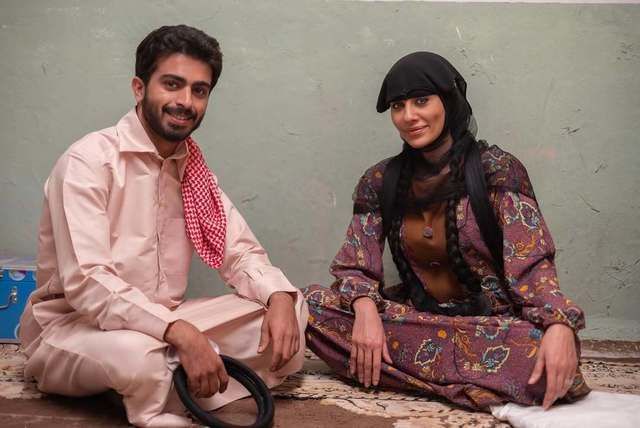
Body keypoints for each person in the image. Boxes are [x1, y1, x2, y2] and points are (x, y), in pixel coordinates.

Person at [19, 25, 307, 427]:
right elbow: (88, 282)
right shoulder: (88, 162)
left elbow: (240, 252)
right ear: (139, 88)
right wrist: (179, 332)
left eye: (199, 90)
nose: (185, 102)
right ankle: (162, 386)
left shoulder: (193, 170)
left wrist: (277, 298)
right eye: (172, 84)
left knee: (289, 311)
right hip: (77, 329)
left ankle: (157, 382)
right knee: (138, 357)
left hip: (166, 323)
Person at [304, 52, 590, 412]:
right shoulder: (379, 181)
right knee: (307, 306)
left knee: (540, 351)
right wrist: (365, 310)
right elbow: (354, 265)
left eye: (421, 100)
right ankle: (465, 383)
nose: (409, 116)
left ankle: (411, 375)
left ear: (449, 100)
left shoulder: (497, 170)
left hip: (492, 327)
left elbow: (532, 264)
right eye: (398, 106)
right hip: (415, 319)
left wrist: (559, 325)